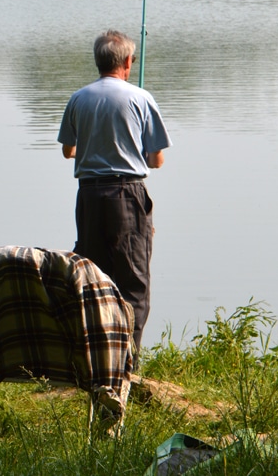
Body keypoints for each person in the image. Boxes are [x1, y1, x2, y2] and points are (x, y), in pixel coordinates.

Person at [58, 30, 171, 350]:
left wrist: (95, 145)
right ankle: (127, 359)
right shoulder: (141, 98)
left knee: (92, 276)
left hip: (89, 197)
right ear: (127, 62)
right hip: (127, 195)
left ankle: (92, 354)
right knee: (133, 281)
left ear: (98, 61)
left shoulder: (78, 98)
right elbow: (156, 160)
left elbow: (68, 151)